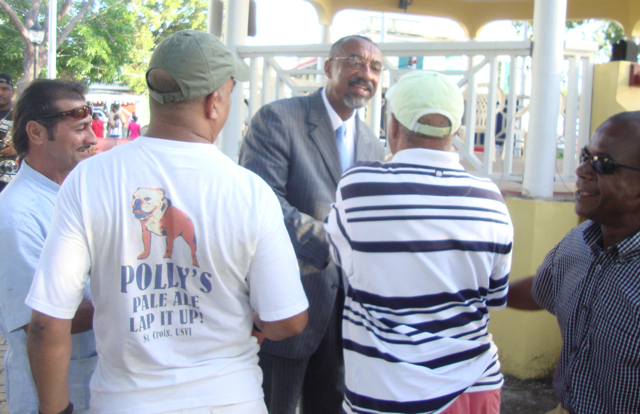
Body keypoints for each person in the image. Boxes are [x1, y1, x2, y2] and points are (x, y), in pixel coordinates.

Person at [26, 30, 309, 414]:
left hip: (124, 402)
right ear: (214, 104)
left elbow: (47, 323)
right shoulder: (249, 191)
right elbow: (288, 321)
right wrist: (256, 323)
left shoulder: (90, 179)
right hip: (229, 399)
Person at [325, 71, 514, 414]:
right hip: (474, 389)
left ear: (393, 126)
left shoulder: (359, 188)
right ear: (456, 132)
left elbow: (341, 259)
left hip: (386, 393)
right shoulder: (491, 199)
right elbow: (495, 298)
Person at [239, 35, 386, 413]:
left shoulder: (371, 142)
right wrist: (337, 245)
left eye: (375, 67)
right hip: (287, 306)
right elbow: (264, 203)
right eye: (355, 61)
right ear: (329, 66)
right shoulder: (279, 118)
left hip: (346, 317)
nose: (365, 73)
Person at [508, 111, 640, 414]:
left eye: (603, 164)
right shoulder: (578, 241)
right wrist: (471, 291)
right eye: (585, 156)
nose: (581, 170)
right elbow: (543, 289)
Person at [0, 78, 98, 413]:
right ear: (37, 133)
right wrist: (129, 295)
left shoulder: (78, 195)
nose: (92, 138)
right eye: (80, 128)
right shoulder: (16, 216)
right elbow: (38, 324)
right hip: (52, 400)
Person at [0, 73, 18, 192]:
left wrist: (19, 149)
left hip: (12, 182)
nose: (1, 93)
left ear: (13, 92)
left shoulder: (21, 114)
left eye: (4, 89)